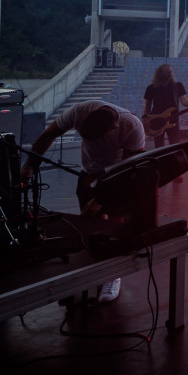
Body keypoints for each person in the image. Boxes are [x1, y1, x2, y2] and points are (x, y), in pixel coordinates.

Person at [20, 100, 145, 303]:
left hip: (117, 175)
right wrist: (30, 165)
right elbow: (47, 135)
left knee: (113, 224)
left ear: (113, 127)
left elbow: (131, 168)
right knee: (90, 225)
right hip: (88, 173)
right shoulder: (78, 111)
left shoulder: (131, 126)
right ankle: (90, 273)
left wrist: (100, 198)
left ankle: (113, 275)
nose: (93, 142)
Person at [142, 63, 188, 153]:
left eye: (171, 72)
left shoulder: (178, 86)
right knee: (159, 146)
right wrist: (145, 117)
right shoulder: (151, 88)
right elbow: (147, 106)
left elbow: (184, 102)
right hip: (156, 120)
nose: (170, 74)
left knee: (175, 145)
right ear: (160, 73)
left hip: (173, 119)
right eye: (167, 72)